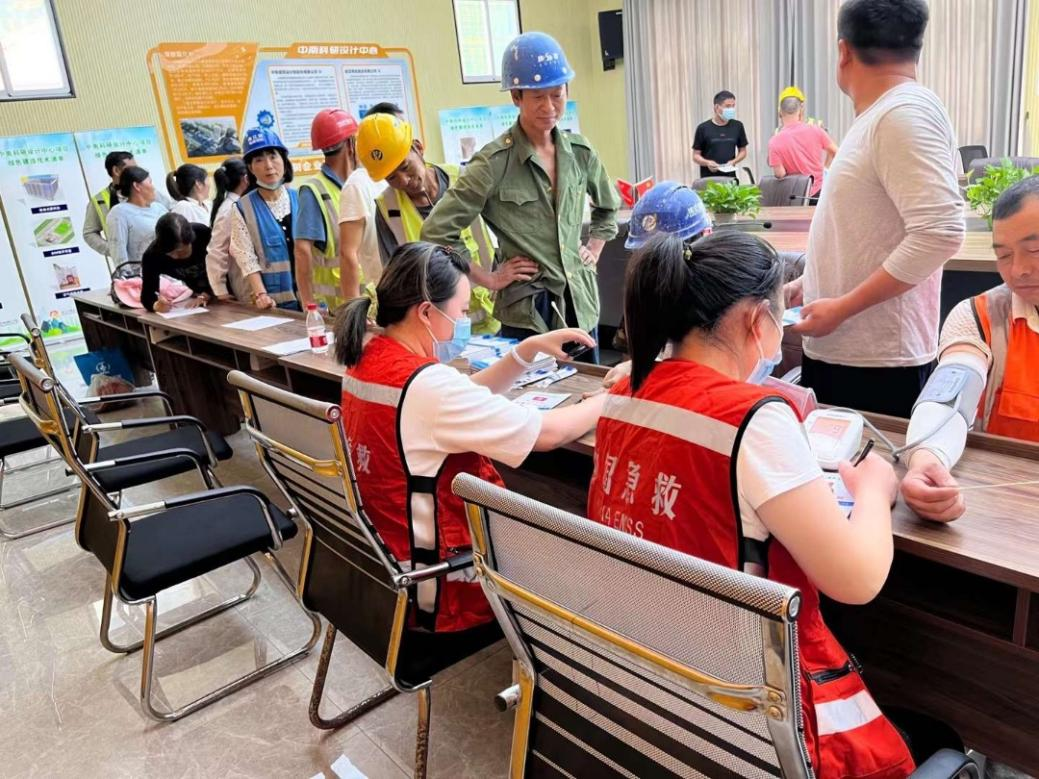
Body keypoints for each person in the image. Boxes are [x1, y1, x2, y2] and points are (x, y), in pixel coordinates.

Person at [588, 230, 915, 777]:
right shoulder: (752, 418)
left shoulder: (624, 393)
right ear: (756, 319)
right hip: (738, 708)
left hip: (649, 678)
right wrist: (876, 491)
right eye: (782, 316)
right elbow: (857, 580)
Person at [334, 241, 604, 636]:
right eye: (461, 312)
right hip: (445, 588)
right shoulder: (427, 386)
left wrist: (525, 352)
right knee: (583, 558)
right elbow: (547, 434)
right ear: (426, 312)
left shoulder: (369, 359)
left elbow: (457, 398)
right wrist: (614, 397)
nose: (465, 322)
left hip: (392, 565)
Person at [787, 0, 965, 418]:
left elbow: (939, 233)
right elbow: (871, 231)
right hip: (852, 352)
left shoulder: (902, 114)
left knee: (865, 460)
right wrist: (812, 282)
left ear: (843, 51)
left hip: (876, 364)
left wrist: (842, 307)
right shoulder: (884, 115)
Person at [421, 31, 620, 357]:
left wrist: (594, 249)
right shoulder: (493, 163)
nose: (549, 107)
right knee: (532, 387)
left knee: (587, 383)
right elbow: (436, 230)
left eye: (557, 95)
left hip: (580, 304)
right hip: (529, 312)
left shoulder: (580, 153)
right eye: (537, 97)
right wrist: (488, 278)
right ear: (516, 96)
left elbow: (608, 207)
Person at [901, 176, 1039, 522]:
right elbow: (950, 391)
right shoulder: (979, 316)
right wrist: (927, 458)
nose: (1019, 270)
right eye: (1004, 255)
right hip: (1004, 511)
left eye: (1035, 250)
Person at [356, 113, 500, 334]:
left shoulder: (464, 180)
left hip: (492, 316)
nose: (403, 180)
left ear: (418, 147)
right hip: (436, 331)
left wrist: (499, 277)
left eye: (405, 166)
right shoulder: (387, 209)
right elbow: (394, 279)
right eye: (392, 177)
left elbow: (501, 231)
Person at [338, 102, 405, 301]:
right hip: (387, 293)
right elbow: (348, 253)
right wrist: (352, 308)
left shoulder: (408, 175)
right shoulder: (358, 184)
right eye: (397, 128)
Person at [295, 108, 359, 312]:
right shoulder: (314, 190)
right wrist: (309, 305)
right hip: (342, 308)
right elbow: (302, 250)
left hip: (375, 300)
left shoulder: (362, 181)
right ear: (351, 144)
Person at [230, 127, 300, 310]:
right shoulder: (242, 208)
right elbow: (246, 258)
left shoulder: (302, 198)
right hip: (275, 302)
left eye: (273, 156)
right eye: (259, 160)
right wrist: (261, 295)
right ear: (250, 168)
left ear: (283, 160)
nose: (268, 165)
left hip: (313, 296)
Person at [768, 94, 838, 199]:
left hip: (795, 195)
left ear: (780, 113)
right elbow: (836, 152)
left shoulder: (774, 141)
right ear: (800, 112)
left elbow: (780, 174)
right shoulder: (816, 130)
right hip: (820, 192)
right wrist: (825, 168)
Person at [140, 212, 212, 313]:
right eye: (169, 253)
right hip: (199, 298)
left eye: (181, 252)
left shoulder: (203, 234)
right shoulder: (152, 256)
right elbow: (147, 295)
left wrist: (208, 293)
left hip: (225, 292)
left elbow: (225, 264)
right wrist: (156, 305)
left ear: (191, 241)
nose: (175, 257)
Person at [206, 157, 251, 302]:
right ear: (245, 179)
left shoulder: (239, 203)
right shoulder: (231, 208)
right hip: (245, 281)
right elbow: (216, 250)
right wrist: (220, 290)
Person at [106, 166, 168, 265]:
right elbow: (119, 253)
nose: (153, 188)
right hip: (142, 272)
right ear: (137, 186)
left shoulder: (160, 208)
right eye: (150, 183)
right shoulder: (119, 213)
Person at [83, 150, 134, 256]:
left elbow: (168, 214)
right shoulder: (99, 200)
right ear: (116, 171)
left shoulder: (146, 190)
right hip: (126, 262)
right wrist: (113, 250)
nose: (136, 172)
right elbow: (89, 233)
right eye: (132, 169)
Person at [692, 90, 749, 179]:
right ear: (716, 107)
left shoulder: (738, 126)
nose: (731, 109)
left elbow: (743, 151)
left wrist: (733, 161)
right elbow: (696, 155)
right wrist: (707, 163)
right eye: (728, 106)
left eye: (733, 106)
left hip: (730, 178)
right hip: (709, 179)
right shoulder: (703, 128)